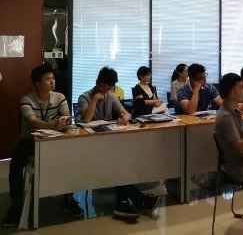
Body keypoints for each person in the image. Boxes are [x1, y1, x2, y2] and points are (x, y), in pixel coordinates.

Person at [4, 64, 78, 227]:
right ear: (37, 83)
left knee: (72, 158)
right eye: (48, 79)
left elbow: (66, 117)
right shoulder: (27, 100)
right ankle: (16, 206)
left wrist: (63, 121)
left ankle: (68, 199)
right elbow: (32, 121)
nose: (52, 82)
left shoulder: (59, 97)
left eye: (53, 78)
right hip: (30, 142)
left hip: (54, 140)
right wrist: (51, 125)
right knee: (16, 164)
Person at [80, 68, 157, 222]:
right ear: (98, 82)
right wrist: (94, 100)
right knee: (119, 162)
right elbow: (86, 119)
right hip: (92, 145)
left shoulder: (111, 96)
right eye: (105, 86)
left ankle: (125, 202)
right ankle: (136, 200)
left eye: (110, 87)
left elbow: (126, 113)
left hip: (110, 142)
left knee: (121, 160)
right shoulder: (84, 97)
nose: (107, 90)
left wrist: (124, 117)